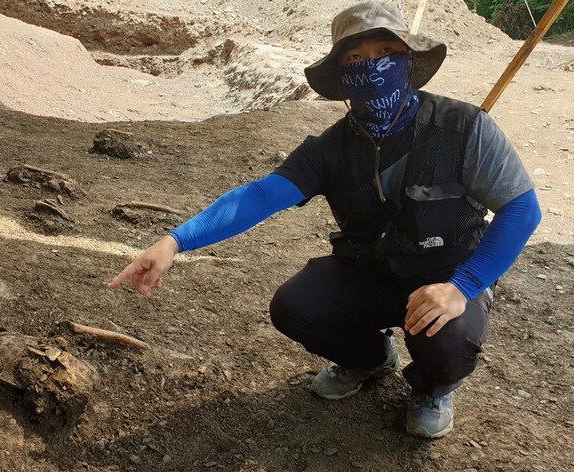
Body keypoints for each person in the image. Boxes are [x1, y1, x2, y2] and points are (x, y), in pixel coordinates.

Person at [109, 0, 541, 439]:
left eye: (385, 51)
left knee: (450, 341)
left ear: (408, 59)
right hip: (370, 271)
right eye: (355, 58)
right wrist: (175, 241)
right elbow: (259, 196)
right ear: (340, 74)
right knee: (295, 308)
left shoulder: (464, 127)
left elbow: (522, 209)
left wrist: (462, 287)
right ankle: (369, 358)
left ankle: (432, 387)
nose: (371, 66)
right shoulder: (328, 149)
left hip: (446, 278)